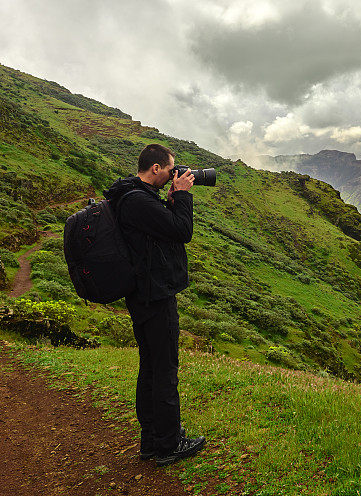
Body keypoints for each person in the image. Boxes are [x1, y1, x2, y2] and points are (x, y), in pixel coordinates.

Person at [103, 143, 206, 467]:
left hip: (144, 294)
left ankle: (153, 439)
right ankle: (168, 444)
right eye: (172, 169)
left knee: (150, 368)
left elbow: (163, 232)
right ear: (157, 169)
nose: (175, 175)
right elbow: (182, 231)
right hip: (154, 297)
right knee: (164, 371)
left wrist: (172, 200)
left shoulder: (134, 197)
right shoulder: (138, 201)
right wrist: (184, 196)